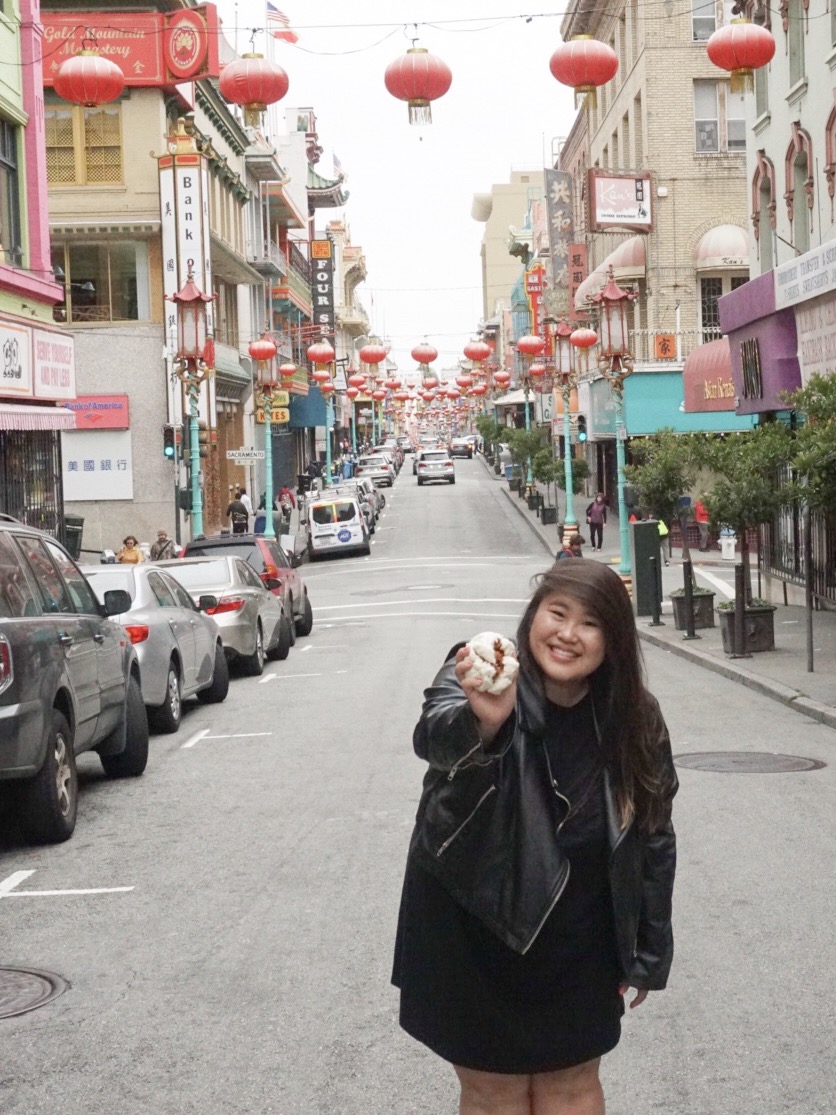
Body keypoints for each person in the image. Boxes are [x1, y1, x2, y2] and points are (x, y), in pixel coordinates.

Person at [392, 561, 677, 1115]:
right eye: (558, 613)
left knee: (570, 1089)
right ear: (533, 617)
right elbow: (434, 737)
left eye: (590, 623)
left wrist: (648, 948)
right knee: (493, 1093)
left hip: (580, 938)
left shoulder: (634, 716)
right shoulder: (479, 670)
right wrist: (486, 722)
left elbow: (655, 835)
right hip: (473, 922)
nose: (568, 634)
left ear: (612, 641)